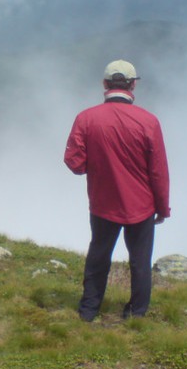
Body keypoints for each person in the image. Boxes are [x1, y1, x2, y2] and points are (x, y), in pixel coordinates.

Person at [64, 60, 170, 321]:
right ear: (133, 85)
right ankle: (136, 313)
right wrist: (162, 207)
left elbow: (75, 163)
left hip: (103, 203)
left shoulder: (86, 118)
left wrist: (100, 166)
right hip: (141, 206)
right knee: (140, 262)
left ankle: (89, 310)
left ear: (104, 85)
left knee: (98, 256)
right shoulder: (149, 122)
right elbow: (158, 171)